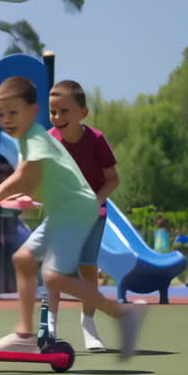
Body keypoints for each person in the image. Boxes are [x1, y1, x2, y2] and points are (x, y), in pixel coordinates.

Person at [0, 76, 144, 360]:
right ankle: (27, 334)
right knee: (24, 259)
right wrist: (15, 198)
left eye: (13, 112)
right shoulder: (33, 139)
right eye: (1, 114)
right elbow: (31, 182)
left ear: (33, 111)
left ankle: (122, 315)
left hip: (78, 210)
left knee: (55, 276)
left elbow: (24, 177)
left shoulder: (36, 138)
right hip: (62, 211)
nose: (6, 120)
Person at [21, 80, 120, 352]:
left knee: (87, 270)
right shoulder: (48, 141)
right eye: (53, 112)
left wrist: (94, 201)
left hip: (93, 217)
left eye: (64, 111)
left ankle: (88, 325)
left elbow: (113, 179)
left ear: (82, 113)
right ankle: (50, 326)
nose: (57, 117)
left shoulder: (96, 140)